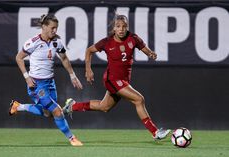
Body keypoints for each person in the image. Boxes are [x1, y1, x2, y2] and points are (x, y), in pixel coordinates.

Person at [63, 15, 171, 140]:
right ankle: (155, 132)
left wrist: (151, 53)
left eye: (124, 26)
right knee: (139, 99)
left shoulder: (133, 38)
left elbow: (144, 49)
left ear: (127, 27)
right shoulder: (107, 42)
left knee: (104, 107)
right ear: (114, 28)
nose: (121, 29)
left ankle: (72, 106)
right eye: (118, 26)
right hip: (112, 79)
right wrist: (88, 69)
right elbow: (89, 51)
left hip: (123, 80)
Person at [9, 14, 83, 146]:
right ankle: (72, 138)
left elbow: (64, 59)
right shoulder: (33, 42)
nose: (54, 31)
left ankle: (18, 106)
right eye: (52, 28)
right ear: (44, 27)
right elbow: (18, 58)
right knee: (57, 112)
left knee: (48, 114)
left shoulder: (57, 42)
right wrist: (27, 78)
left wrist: (73, 76)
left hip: (50, 83)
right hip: (37, 85)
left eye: (56, 28)